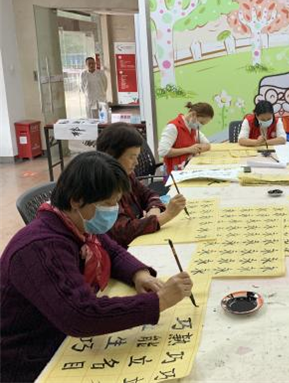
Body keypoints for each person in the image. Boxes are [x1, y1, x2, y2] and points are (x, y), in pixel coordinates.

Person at [0, 152, 193, 382]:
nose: (113, 210)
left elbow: (112, 250)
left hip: (63, 336)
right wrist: (159, 302)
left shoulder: (75, 224)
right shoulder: (41, 247)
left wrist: (139, 274)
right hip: (30, 358)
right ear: (76, 200)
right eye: (107, 204)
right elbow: (81, 315)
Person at [97, 123, 188, 247]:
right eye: (131, 157)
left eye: (137, 157)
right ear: (112, 156)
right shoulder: (102, 186)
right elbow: (122, 232)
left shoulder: (127, 174)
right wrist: (166, 216)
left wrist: (154, 209)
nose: (136, 163)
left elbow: (148, 193)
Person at [158, 102, 214, 175]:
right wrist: (189, 149)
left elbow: (207, 144)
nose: (201, 125)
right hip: (174, 174)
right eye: (201, 122)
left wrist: (198, 148)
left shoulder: (192, 127)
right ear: (193, 114)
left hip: (188, 169)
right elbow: (163, 151)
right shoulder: (173, 127)